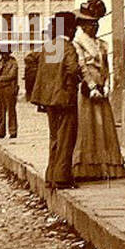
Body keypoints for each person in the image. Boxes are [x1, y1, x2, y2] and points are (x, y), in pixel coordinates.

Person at [72, 0, 125, 181]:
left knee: (103, 127)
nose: (94, 27)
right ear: (82, 24)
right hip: (87, 88)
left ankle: (106, 166)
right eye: (90, 23)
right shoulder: (78, 42)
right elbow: (82, 66)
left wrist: (106, 85)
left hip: (101, 87)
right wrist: (92, 86)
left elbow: (106, 67)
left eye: (96, 23)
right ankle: (86, 167)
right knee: (87, 127)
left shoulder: (102, 44)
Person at [32, 11, 80, 190]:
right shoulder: (68, 47)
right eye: (73, 27)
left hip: (49, 100)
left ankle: (51, 175)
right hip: (65, 98)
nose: (75, 31)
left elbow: (36, 65)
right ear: (68, 28)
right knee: (67, 137)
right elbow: (73, 69)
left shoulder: (49, 46)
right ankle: (62, 177)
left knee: (54, 138)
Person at [0, 44, 19, 140]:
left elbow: (12, 75)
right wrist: (0, 69)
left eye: (4, 54)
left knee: (11, 111)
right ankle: (0, 132)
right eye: (1, 54)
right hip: (0, 89)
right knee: (0, 112)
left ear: (8, 54)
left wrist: (0, 77)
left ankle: (13, 131)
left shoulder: (14, 63)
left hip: (9, 89)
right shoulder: (0, 63)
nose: (3, 56)